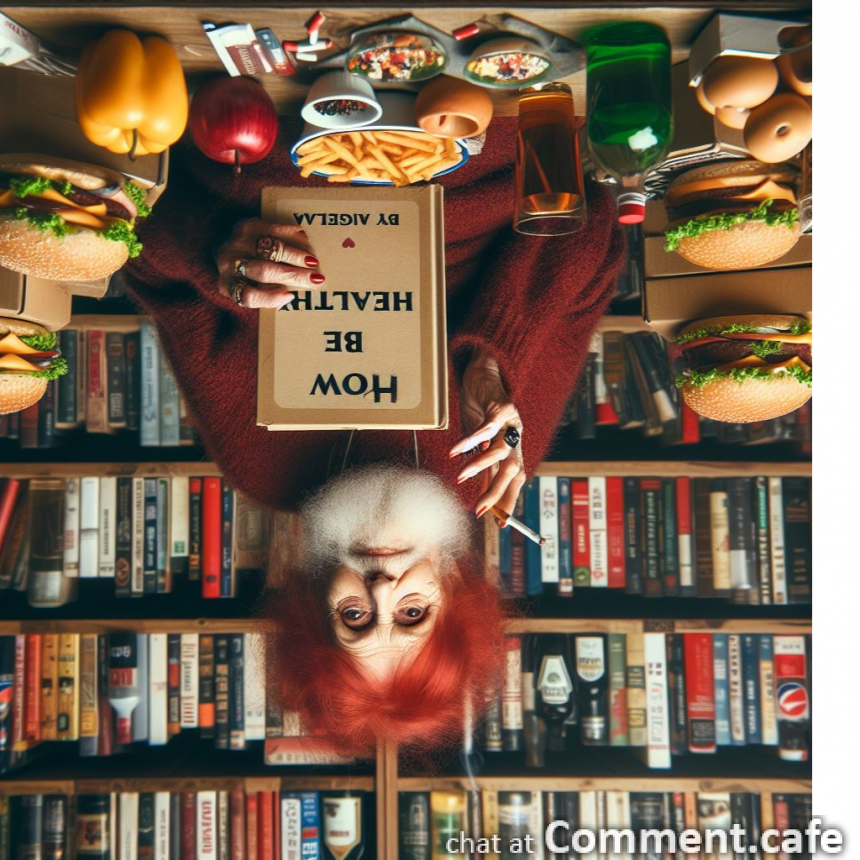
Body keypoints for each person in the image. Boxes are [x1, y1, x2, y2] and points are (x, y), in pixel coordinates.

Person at [123, 116, 625, 756]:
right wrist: (496, 356)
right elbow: (592, 217)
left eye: (354, 618)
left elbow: (139, 247)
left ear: (312, 598)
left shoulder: (261, 462)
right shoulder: (495, 455)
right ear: (453, 587)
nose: (384, 591)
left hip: (275, 140)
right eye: (413, 615)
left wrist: (214, 251)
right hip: (475, 142)